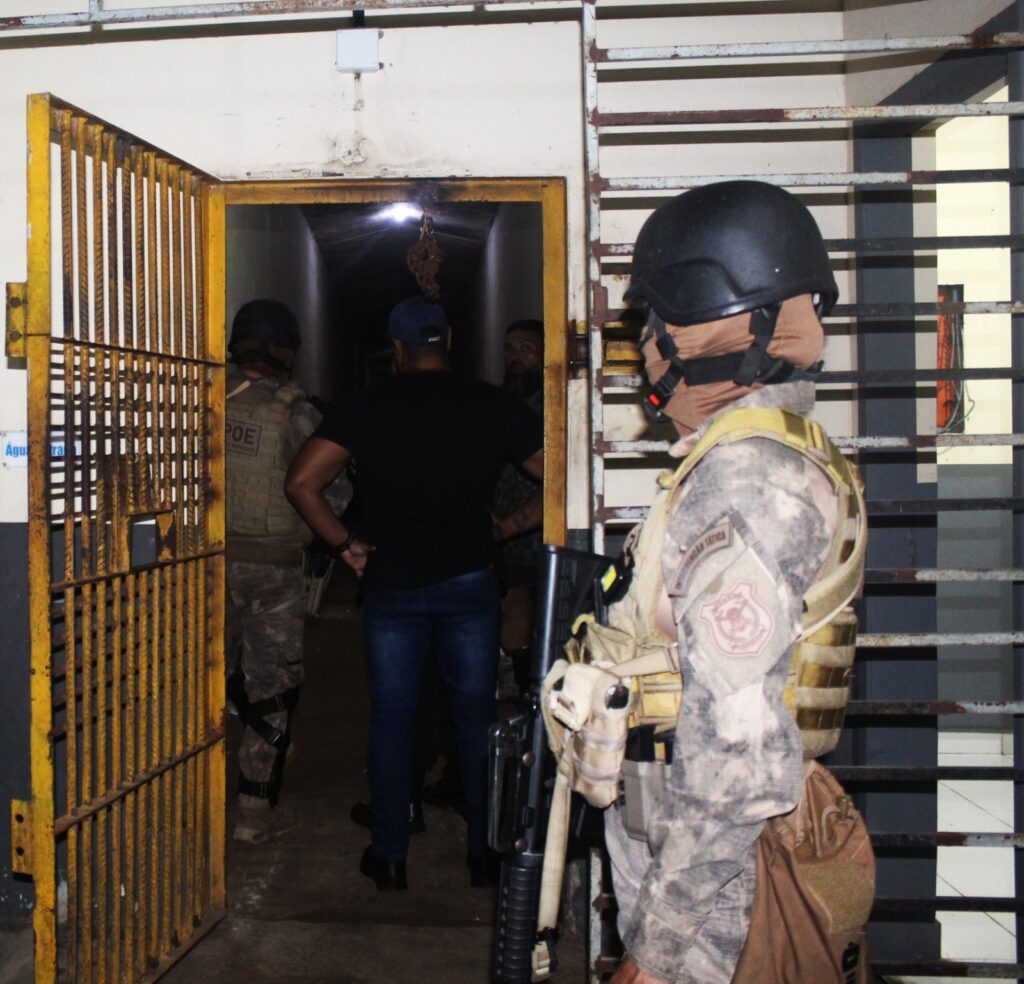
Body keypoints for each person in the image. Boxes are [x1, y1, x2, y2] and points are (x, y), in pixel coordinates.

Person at [545, 181, 869, 983]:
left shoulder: (746, 483)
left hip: (711, 882)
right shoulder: (753, 457)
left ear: (704, 324)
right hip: (699, 848)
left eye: (654, 322)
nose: (645, 347)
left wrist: (654, 957)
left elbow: (735, 762)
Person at [284, 294, 544, 891]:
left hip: (393, 584)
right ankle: (484, 855)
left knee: (394, 718)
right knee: (476, 718)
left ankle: (391, 855)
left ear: (396, 348)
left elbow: (302, 483)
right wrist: (508, 525)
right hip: (471, 580)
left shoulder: (366, 406)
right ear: (448, 338)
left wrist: (346, 544)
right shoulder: (491, 405)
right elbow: (553, 471)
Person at [225, 298, 351, 845]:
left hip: (205, 565)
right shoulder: (298, 412)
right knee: (272, 686)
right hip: (274, 572)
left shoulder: (205, 399)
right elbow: (334, 493)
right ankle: (254, 811)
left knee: (212, 673)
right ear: (285, 352)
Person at [493, 318, 546, 697]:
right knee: (514, 598)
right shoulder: (503, 402)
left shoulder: (553, 403)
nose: (516, 356)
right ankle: (518, 674)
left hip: (544, 525)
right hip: (507, 527)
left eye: (527, 348)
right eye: (511, 348)